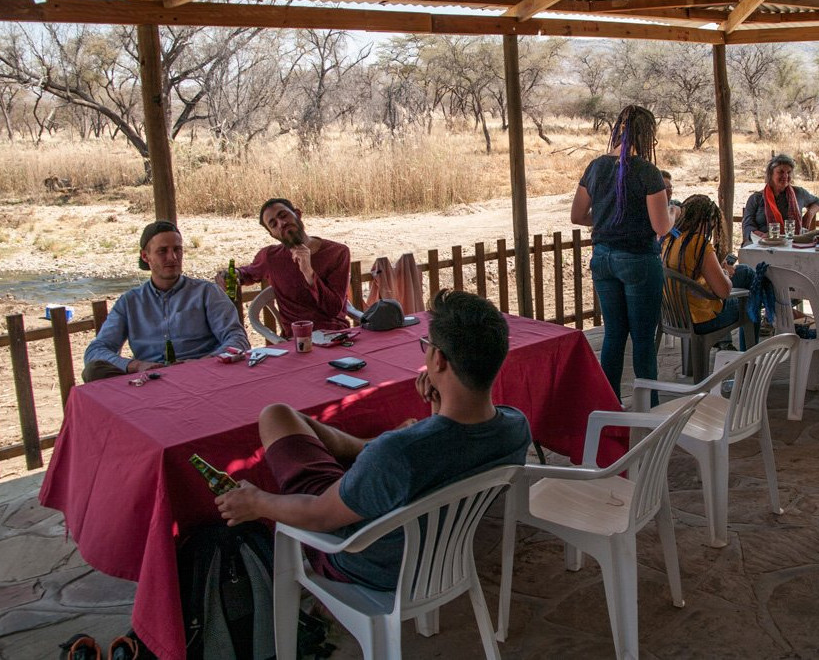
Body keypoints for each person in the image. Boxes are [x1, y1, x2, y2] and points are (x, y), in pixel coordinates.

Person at [216, 290, 531, 590]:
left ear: (438, 361)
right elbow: (451, 452)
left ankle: (362, 448)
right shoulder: (516, 427)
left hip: (364, 560)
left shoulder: (399, 453)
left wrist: (256, 502)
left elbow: (319, 516)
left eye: (427, 345)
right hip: (436, 552)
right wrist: (436, 410)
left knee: (276, 415)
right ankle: (361, 447)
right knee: (309, 427)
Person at [571, 105, 679, 398]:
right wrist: (673, 211)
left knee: (614, 334)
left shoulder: (595, 167)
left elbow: (578, 215)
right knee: (643, 339)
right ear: (648, 137)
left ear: (618, 130)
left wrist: (609, 220)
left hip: (603, 258)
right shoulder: (647, 171)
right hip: (638, 261)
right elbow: (660, 227)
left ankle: (610, 404)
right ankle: (650, 408)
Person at [82, 220, 249, 382]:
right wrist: (136, 366)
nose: (173, 257)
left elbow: (237, 339)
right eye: (162, 251)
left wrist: (204, 362)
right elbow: (95, 351)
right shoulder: (130, 302)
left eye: (177, 249)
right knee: (94, 370)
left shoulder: (206, 292)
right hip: (150, 378)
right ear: (145, 256)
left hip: (203, 374)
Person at [219, 198, 351, 337]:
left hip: (336, 336)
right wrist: (230, 274)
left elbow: (333, 309)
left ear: (298, 214)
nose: (281, 223)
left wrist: (308, 272)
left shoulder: (337, 252)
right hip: (297, 340)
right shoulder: (271, 257)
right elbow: (248, 273)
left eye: (283, 215)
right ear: (272, 234)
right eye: (273, 224)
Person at [662, 194, 756, 345]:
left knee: (744, 272)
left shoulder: (669, 239)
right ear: (707, 221)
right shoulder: (699, 244)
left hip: (674, 315)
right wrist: (725, 273)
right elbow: (724, 292)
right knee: (753, 299)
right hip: (700, 319)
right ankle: (750, 353)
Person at [742, 154, 819, 244]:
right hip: (763, 244)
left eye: (789, 172)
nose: (786, 176)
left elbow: (817, 202)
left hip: (792, 244)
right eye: (781, 172)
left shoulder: (799, 193)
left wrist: (809, 213)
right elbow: (747, 226)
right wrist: (761, 236)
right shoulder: (756, 198)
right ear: (770, 174)